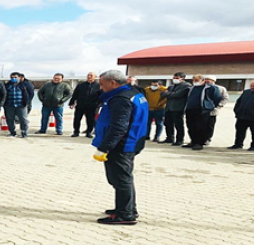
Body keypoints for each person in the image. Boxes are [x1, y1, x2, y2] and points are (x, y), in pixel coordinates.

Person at [92, 70, 148, 225]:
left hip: (122, 144)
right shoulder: (134, 93)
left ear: (113, 83)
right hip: (133, 140)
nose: (101, 88)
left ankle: (125, 214)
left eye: (102, 84)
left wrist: (105, 147)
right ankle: (127, 207)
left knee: (120, 179)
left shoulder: (120, 99)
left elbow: (118, 127)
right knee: (123, 178)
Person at [183, 75, 222, 150]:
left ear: (203, 80)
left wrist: (210, 106)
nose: (195, 82)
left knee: (200, 127)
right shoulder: (192, 88)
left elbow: (217, 98)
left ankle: (199, 143)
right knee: (191, 126)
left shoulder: (211, 88)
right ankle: (193, 141)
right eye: (194, 80)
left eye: (197, 80)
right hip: (190, 109)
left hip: (202, 110)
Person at [160, 72, 192, 145]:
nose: (174, 79)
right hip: (168, 108)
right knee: (167, 123)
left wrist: (168, 93)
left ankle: (179, 140)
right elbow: (162, 94)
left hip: (178, 108)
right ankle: (169, 138)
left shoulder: (186, 86)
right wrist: (170, 93)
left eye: (177, 78)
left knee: (178, 125)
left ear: (182, 78)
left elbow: (178, 94)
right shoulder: (171, 86)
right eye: (174, 78)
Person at [69, 72, 101, 138]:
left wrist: (99, 104)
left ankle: (89, 132)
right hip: (81, 105)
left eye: (91, 75)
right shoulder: (81, 85)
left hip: (92, 106)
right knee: (77, 119)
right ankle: (76, 131)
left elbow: (101, 96)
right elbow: (75, 94)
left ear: (95, 77)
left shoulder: (98, 86)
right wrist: (71, 103)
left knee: (90, 120)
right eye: (88, 75)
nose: (89, 77)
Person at [203, 75, 228, 145]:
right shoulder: (202, 88)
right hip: (202, 110)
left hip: (212, 110)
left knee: (210, 125)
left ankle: (208, 138)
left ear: (213, 81)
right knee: (200, 125)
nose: (207, 81)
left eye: (209, 79)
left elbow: (225, 98)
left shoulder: (220, 88)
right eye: (206, 79)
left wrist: (219, 106)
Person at [229, 81, 254, 151]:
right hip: (242, 117)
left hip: (252, 118)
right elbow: (238, 102)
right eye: (251, 86)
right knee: (240, 131)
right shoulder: (246, 92)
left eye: (253, 86)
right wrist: (237, 111)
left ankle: (253, 146)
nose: (252, 87)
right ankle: (238, 144)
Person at [4, 72, 30, 138]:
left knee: (23, 120)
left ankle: (24, 133)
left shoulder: (24, 85)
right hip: (9, 105)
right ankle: (12, 132)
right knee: (10, 120)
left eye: (15, 77)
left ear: (19, 78)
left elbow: (30, 94)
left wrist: (26, 103)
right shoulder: (7, 85)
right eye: (12, 77)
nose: (14, 79)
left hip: (21, 105)